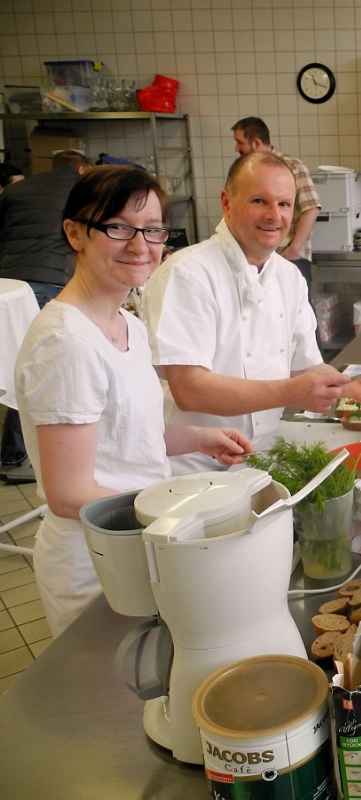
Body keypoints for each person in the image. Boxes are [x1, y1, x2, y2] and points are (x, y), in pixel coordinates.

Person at [14, 166, 252, 637]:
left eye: (152, 229)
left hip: (139, 540)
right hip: (96, 561)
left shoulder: (128, 324)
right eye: (118, 227)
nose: (140, 245)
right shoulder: (65, 342)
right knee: (111, 700)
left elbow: (127, 436)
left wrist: (200, 438)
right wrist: (183, 512)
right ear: (75, 232)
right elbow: (68, 493)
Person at [143, 151, 361, 474]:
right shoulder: (187, 273)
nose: (274, 216)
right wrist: (292, 392)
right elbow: (189, 390)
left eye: (284, 204)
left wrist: (350, 387)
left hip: (260, 456)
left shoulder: (288, 277)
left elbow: (304, 367)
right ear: (226, 202)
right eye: (258, 201)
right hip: (191, 469)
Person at [0, 149, 93, 484]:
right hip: (47, 280)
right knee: (39, 370)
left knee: (14, 362)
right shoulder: (82, 192)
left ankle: (14, 453)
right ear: (81, 169)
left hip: (7, 285)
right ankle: (14, 456)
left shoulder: (15, 189)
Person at [231, 116, 321, 289]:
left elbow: (311, 207)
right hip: (257, 259)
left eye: (239, 142)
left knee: (297, 311)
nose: (236, 148)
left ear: (256, 143)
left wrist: (295, 248)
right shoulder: (247, 172)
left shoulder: (290, 166)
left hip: (289, 256)